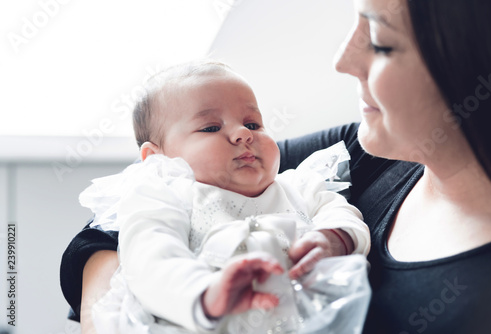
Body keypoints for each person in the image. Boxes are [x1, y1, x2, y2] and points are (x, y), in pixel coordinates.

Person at [60, 0, 491, 333]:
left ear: (471, 60)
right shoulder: (362, 149)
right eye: (211, 127)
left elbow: (335, 211)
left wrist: (336, 238)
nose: (342, 60)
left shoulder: (294, 183)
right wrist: (187, 298)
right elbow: (113, 232)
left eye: (382, 42)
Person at [75, 60, 370, 333]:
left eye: (253, 124)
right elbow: (149, 260)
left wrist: (334, 238)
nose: (243, 133)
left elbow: (342, 213)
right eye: (211, 127)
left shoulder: (301, 186)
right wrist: (206, 293)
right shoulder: (165, 196)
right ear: (157, 158)